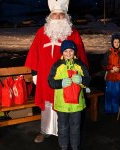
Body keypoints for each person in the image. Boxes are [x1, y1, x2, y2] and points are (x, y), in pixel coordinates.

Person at [25, 0, 88, 143]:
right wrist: (35, 73)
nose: (58, 17)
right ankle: (45, 131)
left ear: (66, 16)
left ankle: (64, 132)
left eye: (61, 14)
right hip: (46, 76)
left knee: (66, 101)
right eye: (55, 14)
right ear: (50, 16)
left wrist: (81, 75)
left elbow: (81, 55)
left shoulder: (73, 33)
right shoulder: (42, 32)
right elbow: (35, 52)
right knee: (47, 104)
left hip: (66, 77)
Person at [48, 40, 91, 150]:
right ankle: (63, 145)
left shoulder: (80, 65)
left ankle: (75, 145)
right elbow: (51, 82)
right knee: (62, 126)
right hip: (62, 104)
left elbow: (88, 80)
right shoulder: (57, 66)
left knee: (76, 126)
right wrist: (60, 83)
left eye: (71, 50)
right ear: (62, 52)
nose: (68, 53)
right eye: (65, 51)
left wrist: (81, 80)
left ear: (74, 52)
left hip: (77, 104)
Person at [102, 34, 120, 114]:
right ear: (112, 43)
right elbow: (104, 64)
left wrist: (119, 69)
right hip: (109, 77)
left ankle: (116, 109)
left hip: (118, 77)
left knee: (116, 94)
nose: (116, 43)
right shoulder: (108, 53)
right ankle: (108, 109)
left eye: (118, 42)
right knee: (109, 93)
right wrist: (111, 68)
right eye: (115, 42)